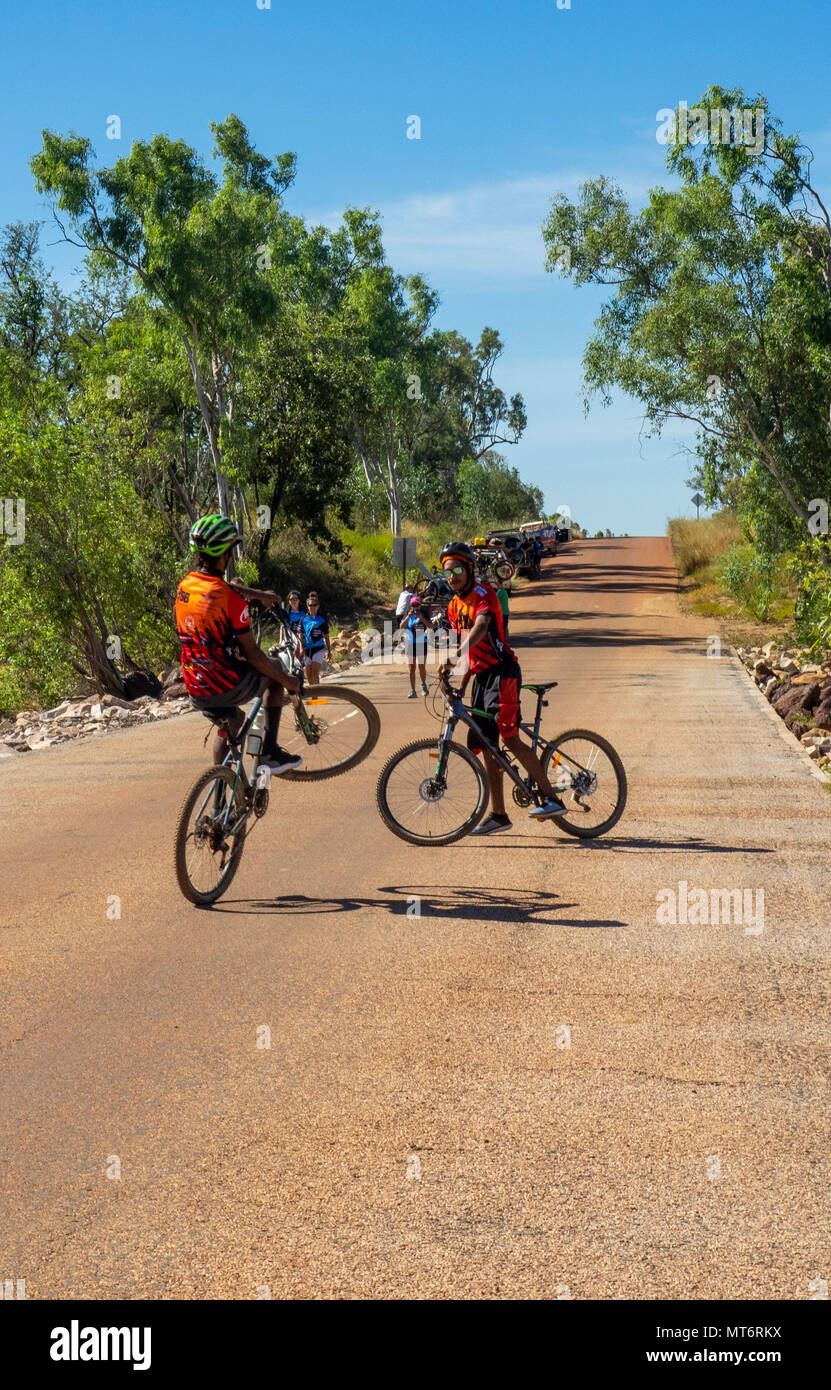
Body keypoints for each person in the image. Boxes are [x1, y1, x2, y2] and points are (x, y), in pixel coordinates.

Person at [438, 541, 567, 835]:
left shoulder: (485, 594)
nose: (453, 576)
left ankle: (551, 798)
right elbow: (471, 654)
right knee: (486, 746)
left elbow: (481, 628)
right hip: (482, 678)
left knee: (509, 739)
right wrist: (457, 682)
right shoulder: (453, 606)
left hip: (503, 673)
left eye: (458, 569)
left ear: (469, 569)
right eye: (448, 572)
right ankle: (498, 814)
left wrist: (454, 657)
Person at [174, 514, 302, 772]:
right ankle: (270, 753)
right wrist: (288, 681)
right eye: (230, 551)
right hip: (223, 683)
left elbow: (221, 589)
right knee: (275, 671)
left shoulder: (186, 586)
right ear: (225, 555)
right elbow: (253, 654)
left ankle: (221, 794)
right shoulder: (231, 601)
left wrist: (259, 595)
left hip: (194, 683)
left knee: (230, 724)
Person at [400, 594, 431, 698]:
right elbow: (401, 627)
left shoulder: (424, 614)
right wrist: (408, 616)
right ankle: (413, 690)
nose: (415, 608)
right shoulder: (407, 615)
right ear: (411, 606)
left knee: (421, 666)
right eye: (413, 605)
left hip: (421, 643)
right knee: (411, 668)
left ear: (420, 605)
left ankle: (423, 685)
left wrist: (421, 618)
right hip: (410, 643)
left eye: (417, 605)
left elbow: (431, 626)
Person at [300, 591, 331, 685]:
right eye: (310, 605)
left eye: (314, 605)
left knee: (314, 673)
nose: (312, 607)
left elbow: (326, 636)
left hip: (319, 648)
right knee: (308, 675)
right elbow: (301, 636)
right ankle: (314, 694)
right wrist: (301, 649)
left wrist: (329, 650)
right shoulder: (303, 619)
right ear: (307, 606)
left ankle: (315, 697)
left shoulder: (322, 619)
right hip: (307, 649)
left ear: (318, 606)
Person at [285, 590, 305, 659]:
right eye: (291, 599)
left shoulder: (303, 614)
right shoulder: (286, 613)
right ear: (289, 601)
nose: (294, 601)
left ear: (299, 600)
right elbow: (282, 627)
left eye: (296, 599)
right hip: (288, 637)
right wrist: (280, 640)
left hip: (300, 637)